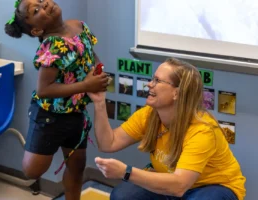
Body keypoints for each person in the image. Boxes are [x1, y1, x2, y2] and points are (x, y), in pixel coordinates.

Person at [88, 58, 246, 200]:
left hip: (214, 186)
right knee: (122, 196)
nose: (149, 84)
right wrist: (99, 103)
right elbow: (108, 143)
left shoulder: (202, 130)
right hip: (173, 180)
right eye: (152, 79)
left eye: (157, 80)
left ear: (177, 93)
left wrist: (126, 172)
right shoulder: (150, 114)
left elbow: (179, 185)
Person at [4, 0, 109, 199]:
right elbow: (44, 90)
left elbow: (90, 52)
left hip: (76, 112)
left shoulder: (80, 25)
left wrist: (98, 68)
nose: (45, 5)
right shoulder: (52, 46)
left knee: (77, 167)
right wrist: (86, 85)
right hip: (49, 116)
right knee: (32, 171)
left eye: (42, 1)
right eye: (37, 10)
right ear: (36, 30)